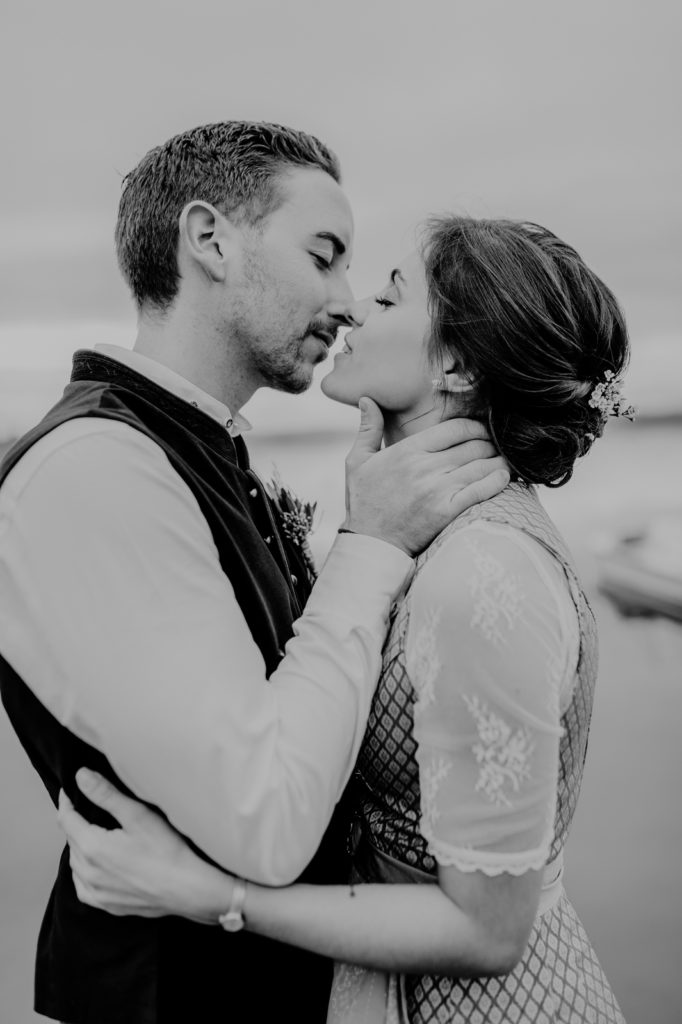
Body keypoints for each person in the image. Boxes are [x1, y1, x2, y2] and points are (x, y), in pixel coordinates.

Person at [59, 216, 632, 1023]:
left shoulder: (484, 571)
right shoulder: (416, 531)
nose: (355, 309)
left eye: (391, 296)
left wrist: (215, 895)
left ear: (458, 363)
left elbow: (489, 929)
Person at [0, 123, 508, 1024]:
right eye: (325, 257)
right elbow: (263, 823)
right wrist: (372, 545)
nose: (350, 301)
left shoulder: (196, 448)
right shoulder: (94, 469)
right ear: (210, 241)